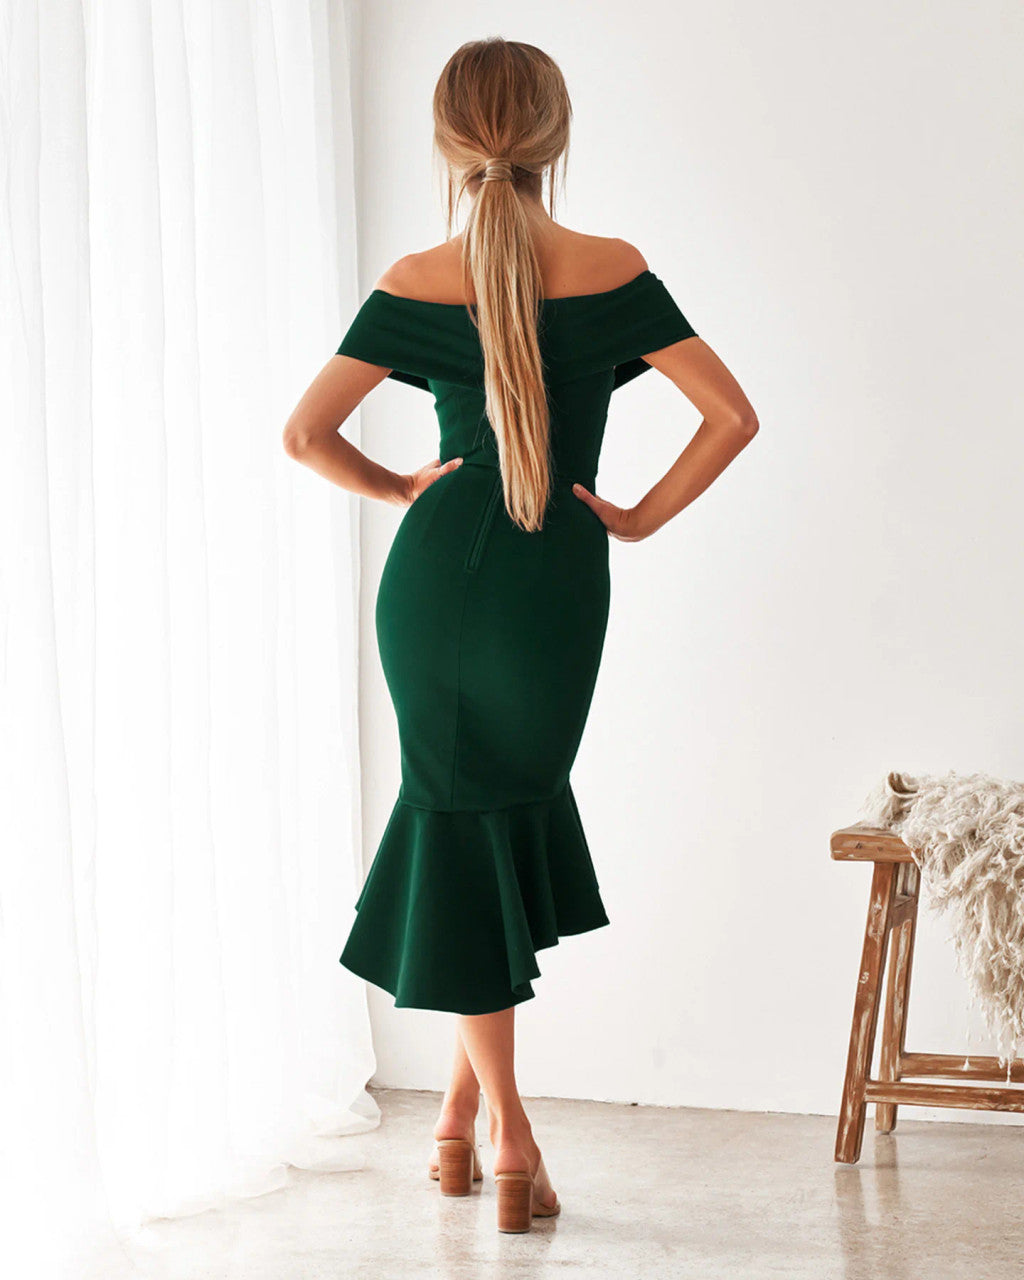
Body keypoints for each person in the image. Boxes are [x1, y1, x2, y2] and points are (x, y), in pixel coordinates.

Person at [283, 36, 758, 1234]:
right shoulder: (613, 267)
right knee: (480, 829)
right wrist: (638, 515)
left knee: (470, 833)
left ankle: (470, 1126)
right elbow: (730, 414)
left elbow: (304, 434)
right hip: (557, 579)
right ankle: (497, 1133)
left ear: (448, 142)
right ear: (553, 136)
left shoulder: (416, 274)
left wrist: (403, 489)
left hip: (437, 581)